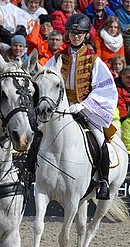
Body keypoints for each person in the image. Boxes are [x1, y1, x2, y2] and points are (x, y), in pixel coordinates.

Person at [46, 13, 118, 200]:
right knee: (39, 134)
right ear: (68, 34)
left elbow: (105, 88)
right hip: (59, 107)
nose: (76, 36)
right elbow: (45, 79)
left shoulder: (94, 60)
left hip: (85, 108)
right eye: (72, 33)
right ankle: (29, 173)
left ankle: (103, 181)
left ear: (86, 35)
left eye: (80, 33)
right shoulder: (57, 57)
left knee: (100, 139)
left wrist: (83, 105)